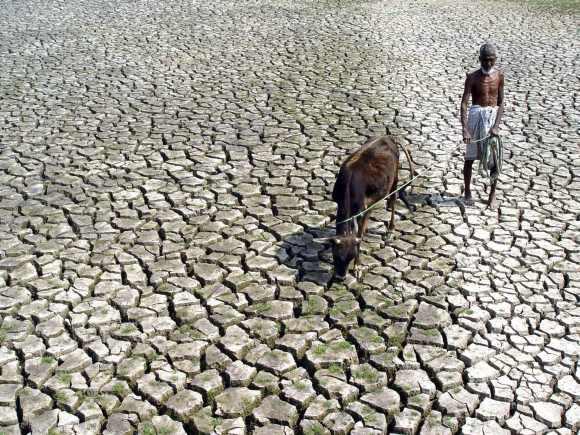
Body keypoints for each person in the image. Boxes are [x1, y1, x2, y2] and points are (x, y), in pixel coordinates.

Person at [460, 43, 505, 207]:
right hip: (475, 117)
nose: (488, 64)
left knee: (494, 158)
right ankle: (467, 191)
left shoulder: (499, 76)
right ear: (479, 59)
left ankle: (492, 195)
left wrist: (496, 126)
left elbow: (501, 103)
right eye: (485, 60)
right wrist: (465, 129)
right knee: (470, 158)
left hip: (492, 118)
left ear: (495, 60)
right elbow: (464, 103)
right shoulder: (472, 77)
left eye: (491, 60)